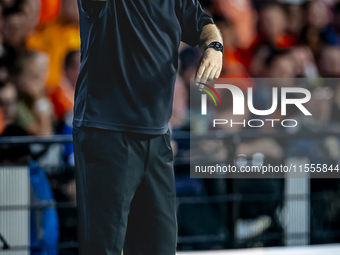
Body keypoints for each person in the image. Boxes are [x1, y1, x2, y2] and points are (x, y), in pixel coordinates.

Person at [73, 0, 223, 255]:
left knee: (160, 247)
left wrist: (215, 47)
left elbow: (203, 24)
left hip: (157, 136)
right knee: (103, 247)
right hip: (107, 133)